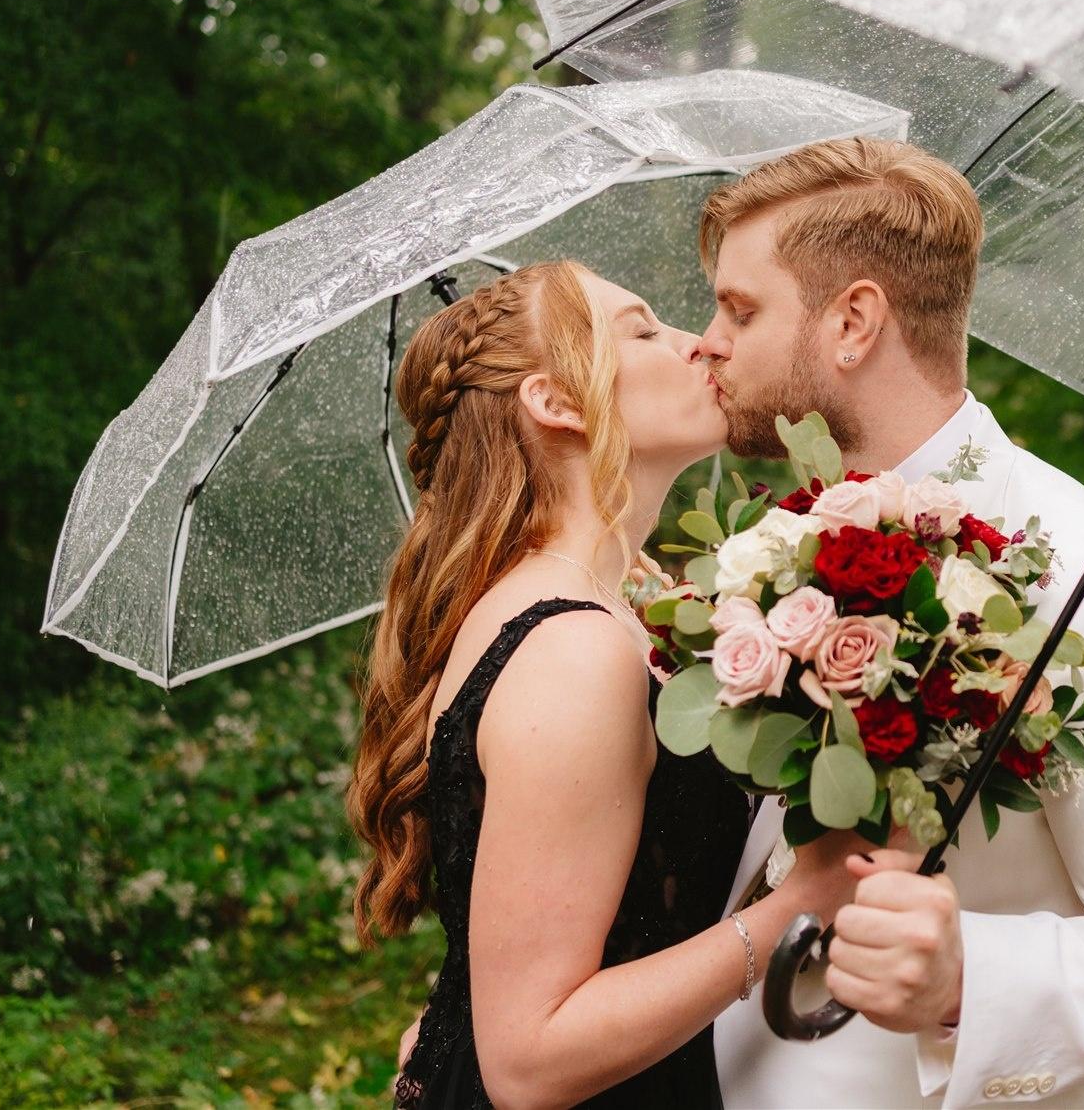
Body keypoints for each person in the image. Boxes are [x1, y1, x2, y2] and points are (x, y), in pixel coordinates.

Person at [695, 137, 1084, 1108]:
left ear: (852, 322)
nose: (705, 340)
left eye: (739, 309)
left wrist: (968, 976)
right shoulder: (764, 545)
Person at [347, 259, 863, 1110]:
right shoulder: (571, 649)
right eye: (644, 328)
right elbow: (529, 1058)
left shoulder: (600, 608)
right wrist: (795, 906)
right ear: (555, 401)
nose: (700, 344)